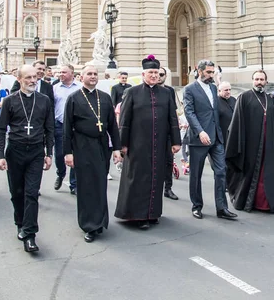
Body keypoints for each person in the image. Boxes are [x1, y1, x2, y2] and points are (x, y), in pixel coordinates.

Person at [115, 55, 181, 229]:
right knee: (138, 178)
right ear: (143, 74)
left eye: (156, 73)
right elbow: (124, 120)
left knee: (156, 178)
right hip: (138, 144)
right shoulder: (132, 92)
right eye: (150, 72)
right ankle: (137, 215)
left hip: (159, 144)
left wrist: (176, 141)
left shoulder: (167, 93)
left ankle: (153, 213)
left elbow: (172, 118)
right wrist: (122, 144)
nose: (154, 75)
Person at [0, 65, 54, 253]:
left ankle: (30, 234)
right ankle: (20, 223)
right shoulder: (10, 101)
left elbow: (49, 129)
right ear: (19, 80)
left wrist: (49, 153)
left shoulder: (44, 100)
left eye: (35, 77)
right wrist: (1, 155)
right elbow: (1, 129)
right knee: (17, 193)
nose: (32, 81)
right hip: (16, 151)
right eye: (28, 77)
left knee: (31, 192)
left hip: (36, 152)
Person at [63, 65, 122, 243]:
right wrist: (68, 153)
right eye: (89, 74)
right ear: (81, 77)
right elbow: (67, 128)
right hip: (82, 145)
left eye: (95, 74)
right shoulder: (73, 98)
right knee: (87, 185)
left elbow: (112, 125)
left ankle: (100, 221)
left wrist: (117, 149)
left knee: (100, 183)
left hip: (102, 145)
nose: (93, 76)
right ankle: (88, 225)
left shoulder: (104, 97)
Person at [183, 59, 237, 221]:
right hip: (199, 139)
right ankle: (197, 206)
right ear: (199, 71)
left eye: (213, 72)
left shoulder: (214, 88)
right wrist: (200, 132)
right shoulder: (189, 89)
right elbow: (189, 112)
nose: (211, 75)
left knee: (221, 172)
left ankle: (222, 208)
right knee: (196, 174)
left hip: (216, 138)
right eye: (208, 72)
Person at [226, 70, 274, 213]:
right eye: (256, 79)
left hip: (268, 143)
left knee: (267, 173)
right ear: (252, 81)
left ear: (266, 81)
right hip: (251, 144)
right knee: (251, 173)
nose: (259, 82)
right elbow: (236, 124)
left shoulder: (269, 99)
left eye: (262, 79)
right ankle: (249, 202)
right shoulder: (244, 98)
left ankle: (266, 203)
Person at [53, 64, 81, 195]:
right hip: (60, 124)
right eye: (59, 72)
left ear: (72, 74)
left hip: (76, 126)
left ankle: (74, 184)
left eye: (64, 72)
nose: (60, 74)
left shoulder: (80, 87)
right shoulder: (55, 88)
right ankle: (61, 172)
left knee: (75, 154)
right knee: (60, 154)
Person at [158, 66, 179, 201]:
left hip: (167, 132)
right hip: (151, 132)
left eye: (161, 74)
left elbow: (174, 113)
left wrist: (176, 137)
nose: (159, 76)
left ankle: (168, 188)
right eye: (156, 73)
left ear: (165, 76)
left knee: (168, 161)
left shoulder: (169, 91)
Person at [217, 81, 236, 146]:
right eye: (226, 90)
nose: (228, 92)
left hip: (233, 135)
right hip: (222, 137)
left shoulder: (233, 100)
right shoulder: (215, 102)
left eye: (230, 89)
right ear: (219, 91)